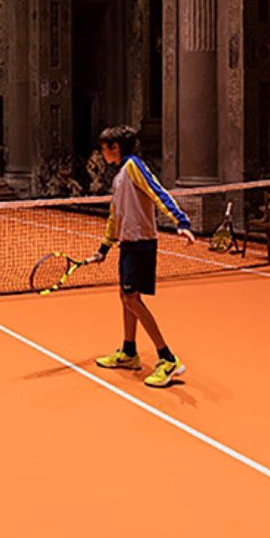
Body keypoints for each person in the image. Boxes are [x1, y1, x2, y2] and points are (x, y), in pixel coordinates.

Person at [88, 125, 194, 388]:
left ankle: (167, 358)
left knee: (132, 300)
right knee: (125, 298)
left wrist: (180, 220)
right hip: (128, 244)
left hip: (142, 244)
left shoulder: (134, 166)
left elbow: (158, 191)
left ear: (115, 148)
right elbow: (116, 215)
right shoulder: (120, 176)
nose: (102, 153)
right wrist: (104, 247)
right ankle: (129, 352)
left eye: (104, 148)